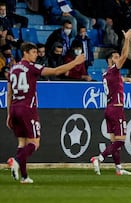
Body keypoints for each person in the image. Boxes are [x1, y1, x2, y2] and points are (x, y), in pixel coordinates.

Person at [6, 42, 85, 184]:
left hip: (15, 108)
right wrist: (75, 62)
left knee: (22, 143)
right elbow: (55, 71)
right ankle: (16, 161)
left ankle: (24, 177)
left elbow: (9, 93)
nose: (36, 55)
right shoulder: (31, 67)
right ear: (25, 53)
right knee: (34, 143)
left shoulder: (13, 69)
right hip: (27, 108)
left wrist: (8, 114)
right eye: (34, 52)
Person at [90, 29, 131, 176]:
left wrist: (125, 80)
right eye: (115, 57)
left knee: (115, 142)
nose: (118, 58)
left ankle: (118, 168)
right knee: (120, 141)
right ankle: (99, 158)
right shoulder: (114, 70)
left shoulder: (106, 74)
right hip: (116, 108)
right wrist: (127, 39)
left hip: (108, 108)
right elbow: (126, 55)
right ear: (110, 61)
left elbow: (116, 82)